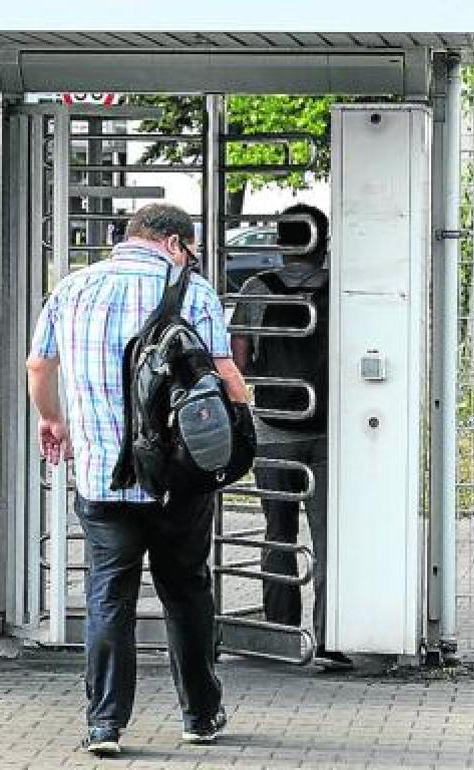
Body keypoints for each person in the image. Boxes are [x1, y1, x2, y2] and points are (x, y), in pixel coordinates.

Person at [26, 203, 250, 756]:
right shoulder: (193, 293)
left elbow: (38, 367)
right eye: (191, 249)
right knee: (187, 589)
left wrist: (53, 420)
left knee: (109, 594)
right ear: (175, 243)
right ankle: (199, 715)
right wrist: (243, 421)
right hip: (179, 477)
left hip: (102, 476)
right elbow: (222, 372)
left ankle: (105, 724)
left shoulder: (72, 289)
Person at [230, 203, 353, 671]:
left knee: (278, 534)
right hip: (329, 432)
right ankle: (330, 637)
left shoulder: (256, 289)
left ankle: (280, 636)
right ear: (323, 243)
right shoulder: (339, 290)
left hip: (272, 429)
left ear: (281, 243)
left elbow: (237, 362)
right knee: (327, 538)